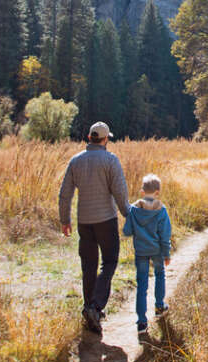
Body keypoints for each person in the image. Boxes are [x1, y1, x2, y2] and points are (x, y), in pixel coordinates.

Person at [58, 121, 131, 336]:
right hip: (106, 220)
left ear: (90, 138)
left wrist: (65, 220)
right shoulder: (110, 160)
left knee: (88, 265)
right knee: (109, 261)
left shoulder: (76, 161)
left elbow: (65, 194)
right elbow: (120, 192)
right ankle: (95, 306)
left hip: (84, 221)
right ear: (105, 139)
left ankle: (89, 309)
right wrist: (128, 215)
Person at [123, 173, 172, 334]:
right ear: (157, 192)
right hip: (157, 251)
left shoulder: (134, 210)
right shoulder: (161, 211)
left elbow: (127, 231)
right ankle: (159, 305)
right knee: (159, 275)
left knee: (142, 284)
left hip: (141, 252)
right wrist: (166, 253)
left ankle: (142, 322)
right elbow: (165, 235)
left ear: (142, 192)